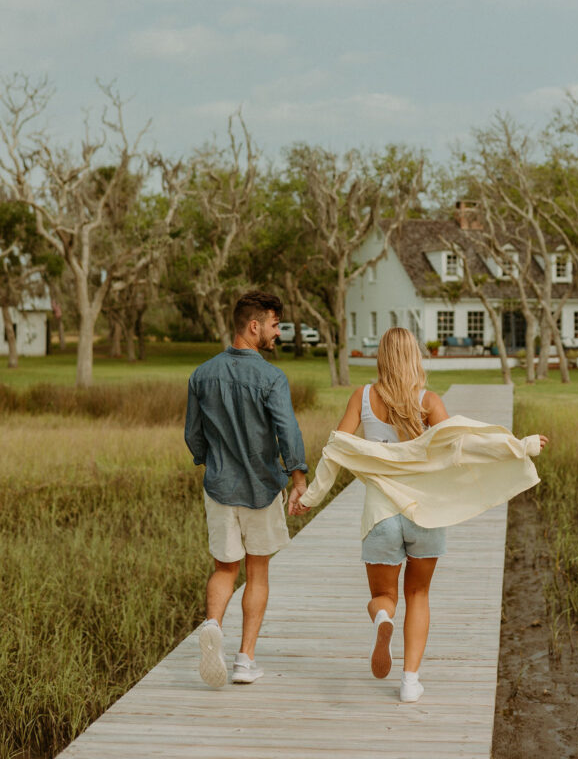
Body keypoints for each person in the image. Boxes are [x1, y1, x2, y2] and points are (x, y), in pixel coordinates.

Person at [289, 326, 548, 704]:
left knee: (383, 595)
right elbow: (464, 446)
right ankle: (410, 681)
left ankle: (382, 619)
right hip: (426, 515)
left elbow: (335, 451)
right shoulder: (429, 402)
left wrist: (310, 497)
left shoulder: (362, 398)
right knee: (419, 594)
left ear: (382, 357)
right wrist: (520, 446)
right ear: (414, 357)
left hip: (381, 515)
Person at [185, 290, 308, 688]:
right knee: (257, 572)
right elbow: (287, 430)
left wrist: (211, 462)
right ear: (254, 326)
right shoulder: (271, 377)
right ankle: (244, 660)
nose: (277, 333)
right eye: (274, 325)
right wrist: (298, 476)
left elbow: (193, 435)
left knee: (225, 568)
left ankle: (212, 625)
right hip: (261, 487)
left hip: (219, 486)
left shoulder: (202, 374)